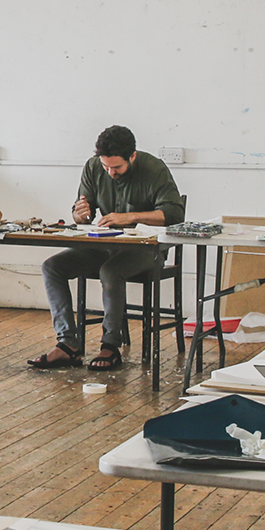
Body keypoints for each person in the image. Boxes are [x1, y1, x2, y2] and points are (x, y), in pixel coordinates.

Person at [28, 124, 185, 373]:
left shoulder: (154, 169)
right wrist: (79, 214)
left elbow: (175, 214)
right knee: (52, 267)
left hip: (147, 251)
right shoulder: (93, 167)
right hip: (105, 245)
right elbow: (82, 214)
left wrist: (128, 217)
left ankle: (111, 346)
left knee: (111, 271)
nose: (110, 172)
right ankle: (68, 343)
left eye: (117, 167)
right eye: (106, 166)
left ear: (132, 156)